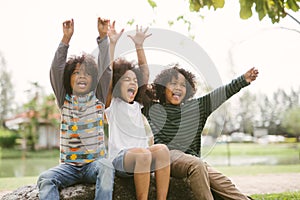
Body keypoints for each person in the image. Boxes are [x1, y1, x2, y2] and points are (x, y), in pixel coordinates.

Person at [142, 65, 259, 200]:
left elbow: (221, 93)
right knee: (196, 164)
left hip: (193, 159)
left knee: (224, 183)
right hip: (167, 156)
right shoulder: (154, 108)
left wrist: (243, 80)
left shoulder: (197, 107)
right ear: (163, 88)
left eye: (183, 85)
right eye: (173, 83)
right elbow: (139, 87)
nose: (178, 88)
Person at [37, 18, 123, 200]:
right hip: (68, 167)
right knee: (45, 178)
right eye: (76, 72)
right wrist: (65, 39)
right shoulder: (64, 99)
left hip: (94, 165)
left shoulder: (98, 97)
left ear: (93, 79)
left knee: (107, 167)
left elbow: (106, 70)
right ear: (68, 78)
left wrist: (103, 38)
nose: (81, 76)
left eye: (86, 73)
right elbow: (55, 70)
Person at [105, 25, 171, 200]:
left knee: (163, 150)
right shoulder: (113, 103)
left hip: (143, 156)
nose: (132, 82)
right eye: (127, 79)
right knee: (143, 154)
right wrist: (112, 44)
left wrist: (139, 46)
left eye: (135, 80)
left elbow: (145, 73)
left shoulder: (137, 104)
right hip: (121, 160)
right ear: (118, 84)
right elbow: (108, 75)